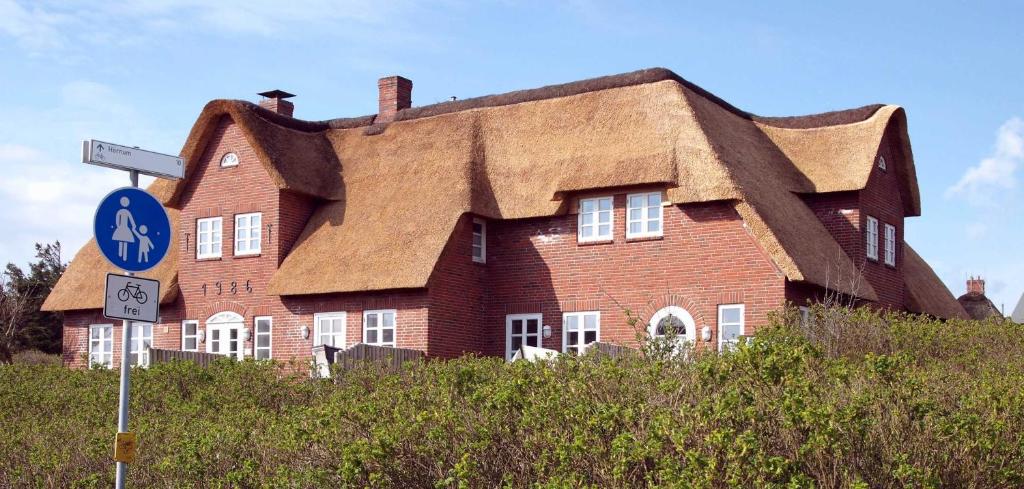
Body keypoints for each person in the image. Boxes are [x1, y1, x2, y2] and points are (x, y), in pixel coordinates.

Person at [112, 196, 136, 261]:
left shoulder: (125, 212)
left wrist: (133, 225)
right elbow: (118, 219)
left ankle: (124, 256)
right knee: (122, 240)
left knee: (124, 241)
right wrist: (118, 226)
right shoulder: (121, 211)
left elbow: (131, 219)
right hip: (122, 227)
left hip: (124, 227)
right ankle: (121, 255)